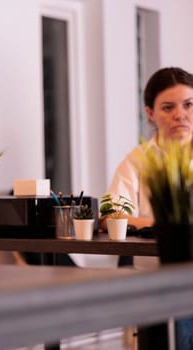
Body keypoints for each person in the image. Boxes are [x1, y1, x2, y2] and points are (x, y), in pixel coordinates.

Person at [102, 66, 193, 350]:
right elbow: (110, 216)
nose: (180, 114)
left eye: (189, 104)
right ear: (150, 113)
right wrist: (163, 227)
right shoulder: (139, 160)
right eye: (168, 107)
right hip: (155, 283)